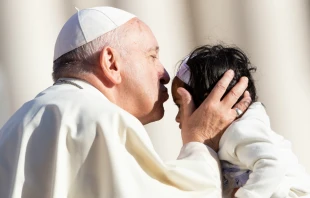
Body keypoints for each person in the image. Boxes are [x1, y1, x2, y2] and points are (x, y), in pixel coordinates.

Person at [0, 7, 251, 198]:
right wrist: (201, 141)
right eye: (152, 55)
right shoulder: (101, 120)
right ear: (111, 62)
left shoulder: (15, 126)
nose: (164, 73)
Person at [172, 44, 310, 198]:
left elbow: (272, 163)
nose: (177, 117)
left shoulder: (240, 130)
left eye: (180, 106)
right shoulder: (228, 135)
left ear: (209, 102)